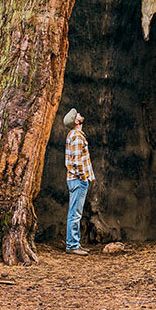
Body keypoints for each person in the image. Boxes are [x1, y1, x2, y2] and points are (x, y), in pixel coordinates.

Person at [63, 108, 94, 256]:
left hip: (76, 180)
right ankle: (72, 245)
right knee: (75, 214)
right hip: (77, 180)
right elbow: (76, 160)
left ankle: (75, 243)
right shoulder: (77, 136)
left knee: (75, 213)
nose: (81, 115)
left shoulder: (73, 135)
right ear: (76, 121)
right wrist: (83, 176)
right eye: (79, 115)